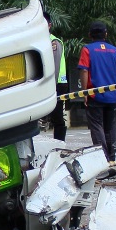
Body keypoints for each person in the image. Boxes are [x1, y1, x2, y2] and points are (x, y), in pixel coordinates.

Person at [78, 21, 116, 166]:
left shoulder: (87, 49)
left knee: (96, 126)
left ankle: (102, 159)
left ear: (90, 35)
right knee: (110, 127)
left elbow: (84, 70)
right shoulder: (115, 51)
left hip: (95, 94)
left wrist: (85, 91)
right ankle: (111, 158)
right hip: (112, 96)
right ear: (106, 34)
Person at [45, 11, 68, 141]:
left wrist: (51, 87)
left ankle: (60, 143)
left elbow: (56, 64)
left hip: (57, 83)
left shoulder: (53, 41)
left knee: (57, 117)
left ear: (49, 25)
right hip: (47, 83)